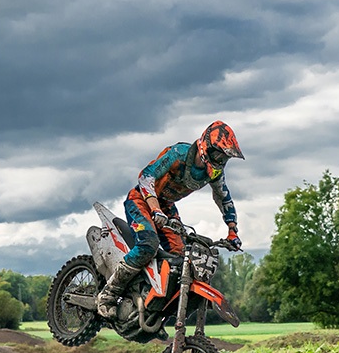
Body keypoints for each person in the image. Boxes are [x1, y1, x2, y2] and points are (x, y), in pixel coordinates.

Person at [96, 120, 245, 317]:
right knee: (148, 245)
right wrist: (155, 208)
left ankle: (152, 312)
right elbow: (146, 177)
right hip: (141, 199)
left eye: (224, 157)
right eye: (218, 154)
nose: (220, 160)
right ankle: (108, 295)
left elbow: (223, 197)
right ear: (205, 147)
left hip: (166, 208)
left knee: (181, 259)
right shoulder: (179, 154)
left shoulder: (214, 173)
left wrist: (232, 230)